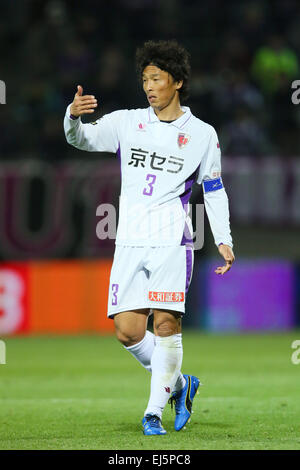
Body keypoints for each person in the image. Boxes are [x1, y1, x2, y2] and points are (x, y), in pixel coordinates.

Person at [64, 40, 234, 436]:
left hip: (172, 239)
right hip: (129, 241)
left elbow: (214, 188)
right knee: (126, 330)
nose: (149, 86)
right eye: (144, 79)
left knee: (165, 325)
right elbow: (81, 139)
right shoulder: (127, 122)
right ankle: (180, 384)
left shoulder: (202, 135)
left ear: (177, 82)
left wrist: (223, 238)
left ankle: (153, 413)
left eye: (156, 78)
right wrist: (72, 118)